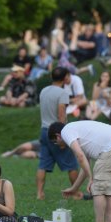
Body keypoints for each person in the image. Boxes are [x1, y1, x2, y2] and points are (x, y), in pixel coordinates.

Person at [48, 121, 111, 222]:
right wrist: (74, 188)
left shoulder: (66, 131)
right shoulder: (78, 131)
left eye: (55, 142)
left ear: (58, 136)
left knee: (98, 189)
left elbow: (80, 156)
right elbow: (84, 164)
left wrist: (91, 179)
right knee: (109, 190)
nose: (57, 144)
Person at [37, 67, 79, 200]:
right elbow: (61, 114)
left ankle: (39, 193)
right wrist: (63, 135)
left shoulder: (44, 90)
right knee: (71, 164)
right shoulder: (62, 93)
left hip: (44, 131)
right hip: (56, 132)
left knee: (43, 164)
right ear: (65, 77)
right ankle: (76, 193)